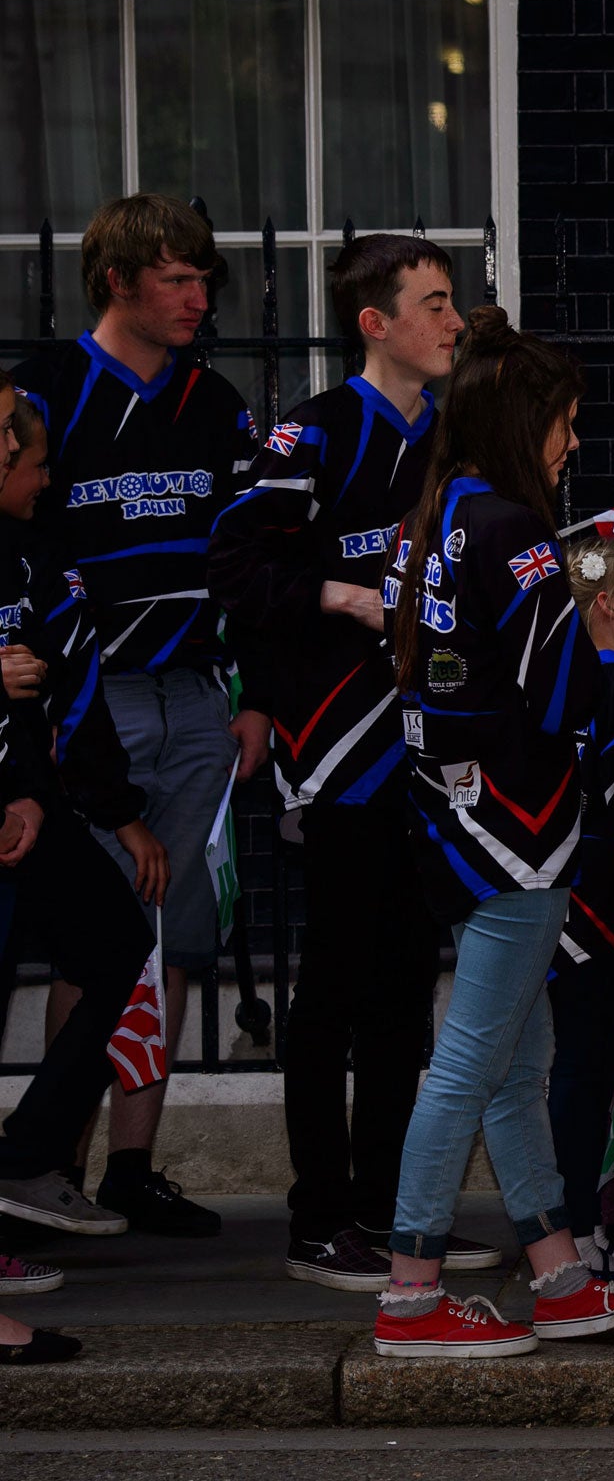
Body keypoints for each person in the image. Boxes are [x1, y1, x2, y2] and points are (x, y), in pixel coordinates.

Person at [371, 306, 614, 1357]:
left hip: (452, 816)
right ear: (519, 420)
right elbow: (560, 698)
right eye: (563, 421)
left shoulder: (436, 508)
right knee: (469, 1064)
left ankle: (555, 1268)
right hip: (520, 828)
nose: (571, 441)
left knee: (514, 1060)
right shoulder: (511, 530)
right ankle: (409, 1293)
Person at [209, 233, 500, 1290]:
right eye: (431, 304)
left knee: (400, 989)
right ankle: (316, 1217)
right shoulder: (313, 433)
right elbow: (236, 564)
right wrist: (340, 594)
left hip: (427, 750)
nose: (453, 322)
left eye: (452, 303)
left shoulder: (458, 440)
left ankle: (389, 1211)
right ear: (375, 323)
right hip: (336, 752)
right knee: (330, 988)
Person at [11, 194, 272, 1237]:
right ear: (117, 281)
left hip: (198, 694)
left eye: (203, 280)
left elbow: (249, 560)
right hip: (95, 699)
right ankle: (46, 1166)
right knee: (98, 937)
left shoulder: (216, 404)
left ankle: (131, 1166)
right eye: (176, 278)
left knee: (166, 942)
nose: (198, 299)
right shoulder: (47, 392)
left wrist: (252, 700)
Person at [0, 373, 162, 1354]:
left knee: (114, 937)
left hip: (31, 808)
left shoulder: (33, 553)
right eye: (35, 462)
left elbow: (66, 691)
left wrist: (112, 813)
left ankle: (23, 1155)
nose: (48, 478)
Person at [550, 535, 614, 1264]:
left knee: (562, 1068)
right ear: (607, 603)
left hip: (550, 898)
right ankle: (578, 1232)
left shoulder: (552, 681)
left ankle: (572, 1226)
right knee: (585, 1069)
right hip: (600, 907)